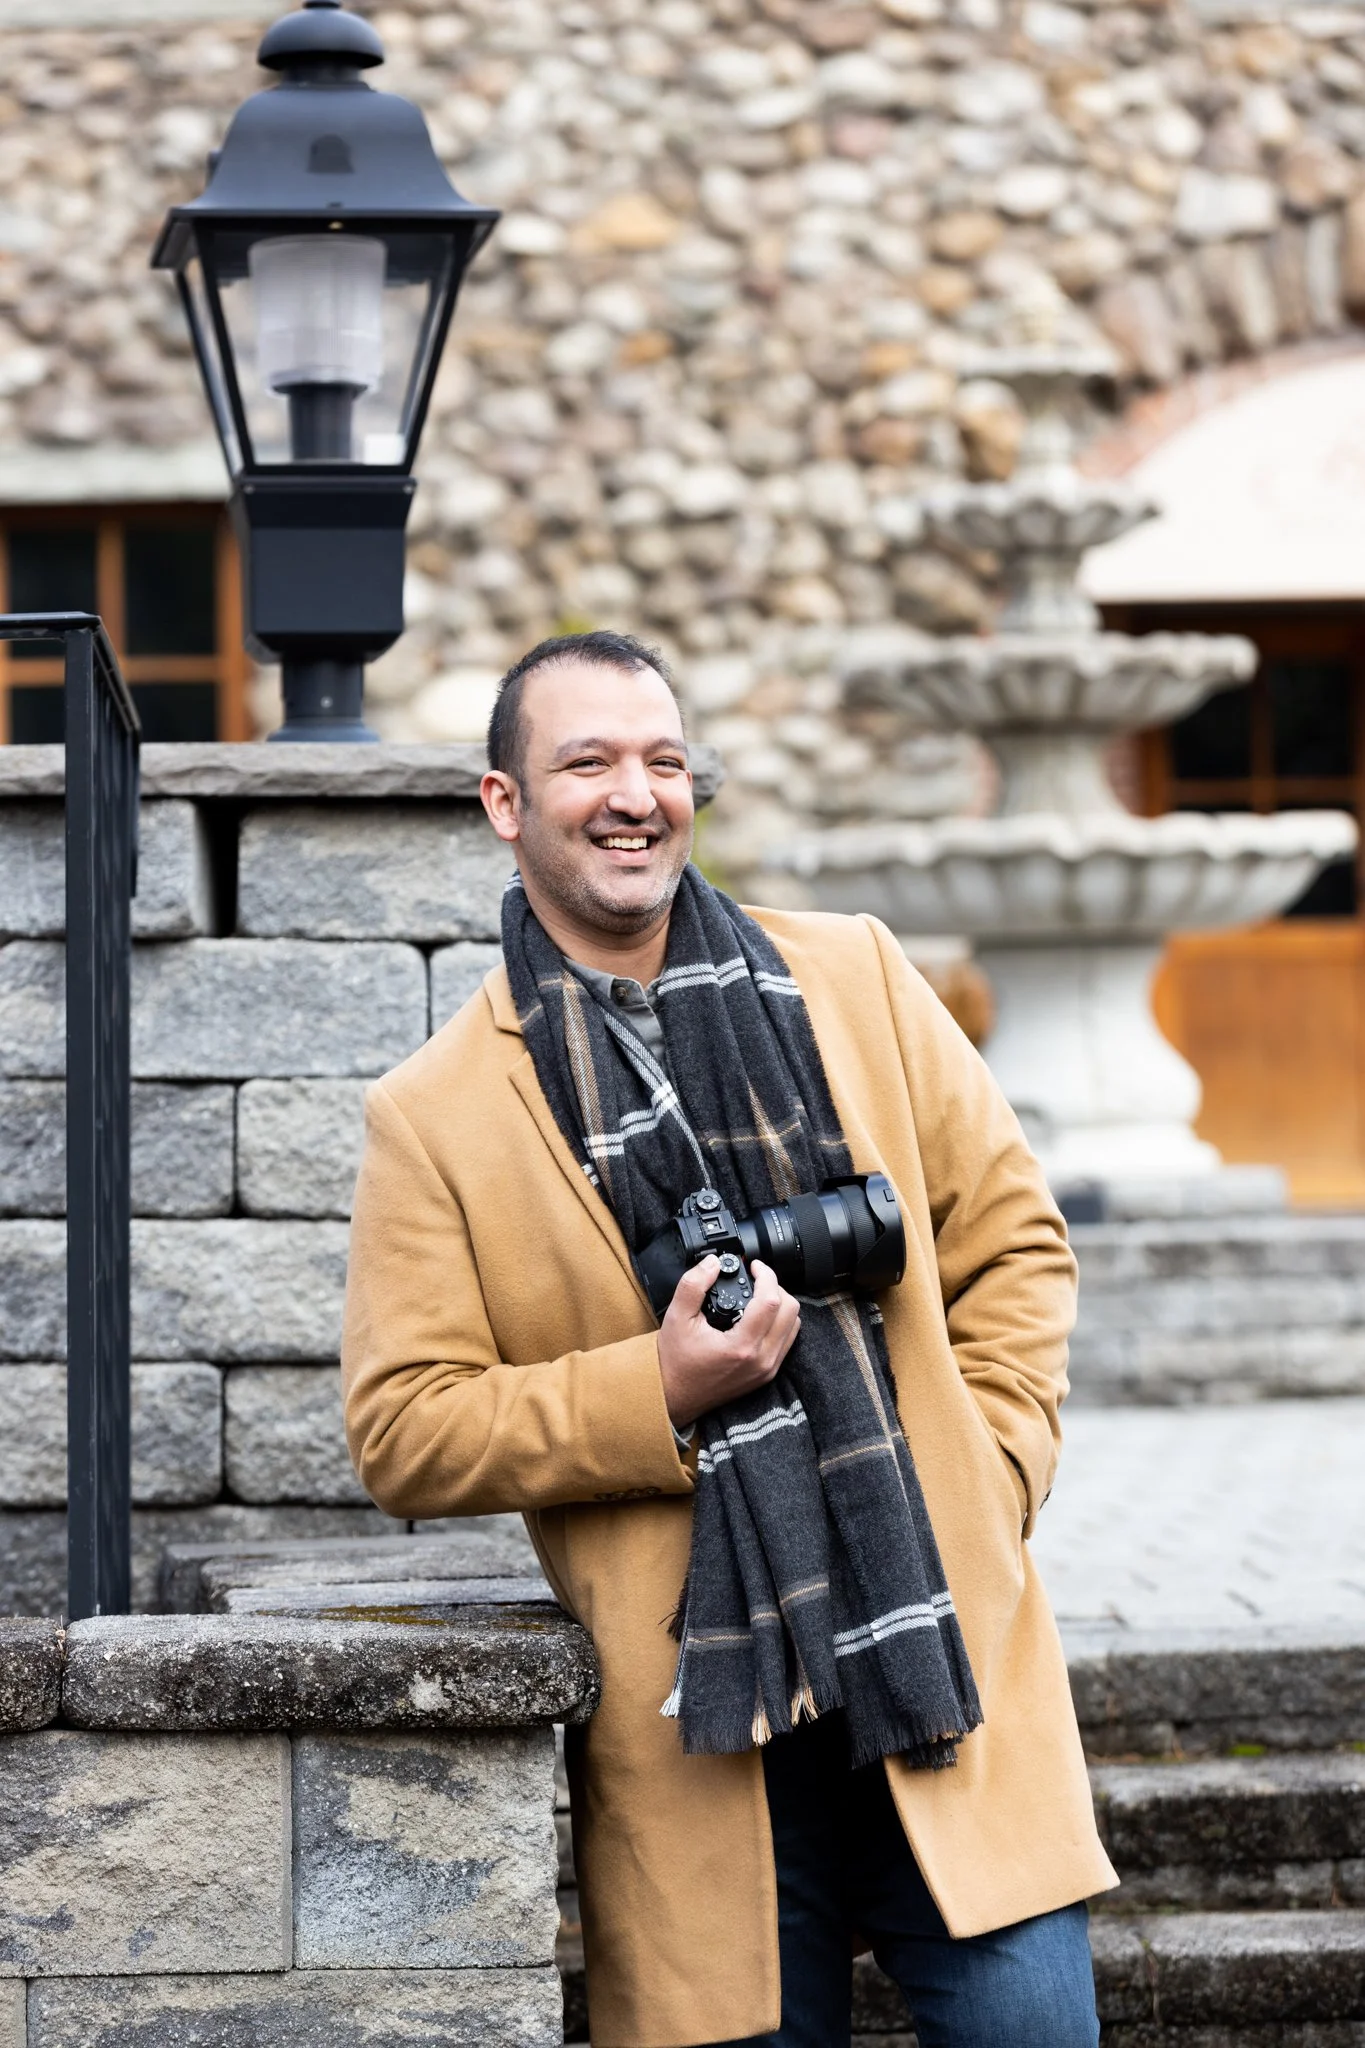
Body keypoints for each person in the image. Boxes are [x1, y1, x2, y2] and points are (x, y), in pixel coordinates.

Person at [342, 629, 1116, 2048]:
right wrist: (658, 1391)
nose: (634, 793)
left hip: (942, 1658)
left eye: (663, 759)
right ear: (505, 803)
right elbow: (403, 1427)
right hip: (706, 1742)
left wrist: (991, 1478)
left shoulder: (856, 976)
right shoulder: (438, 1108)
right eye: (587, 762)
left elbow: (1015, 1243)